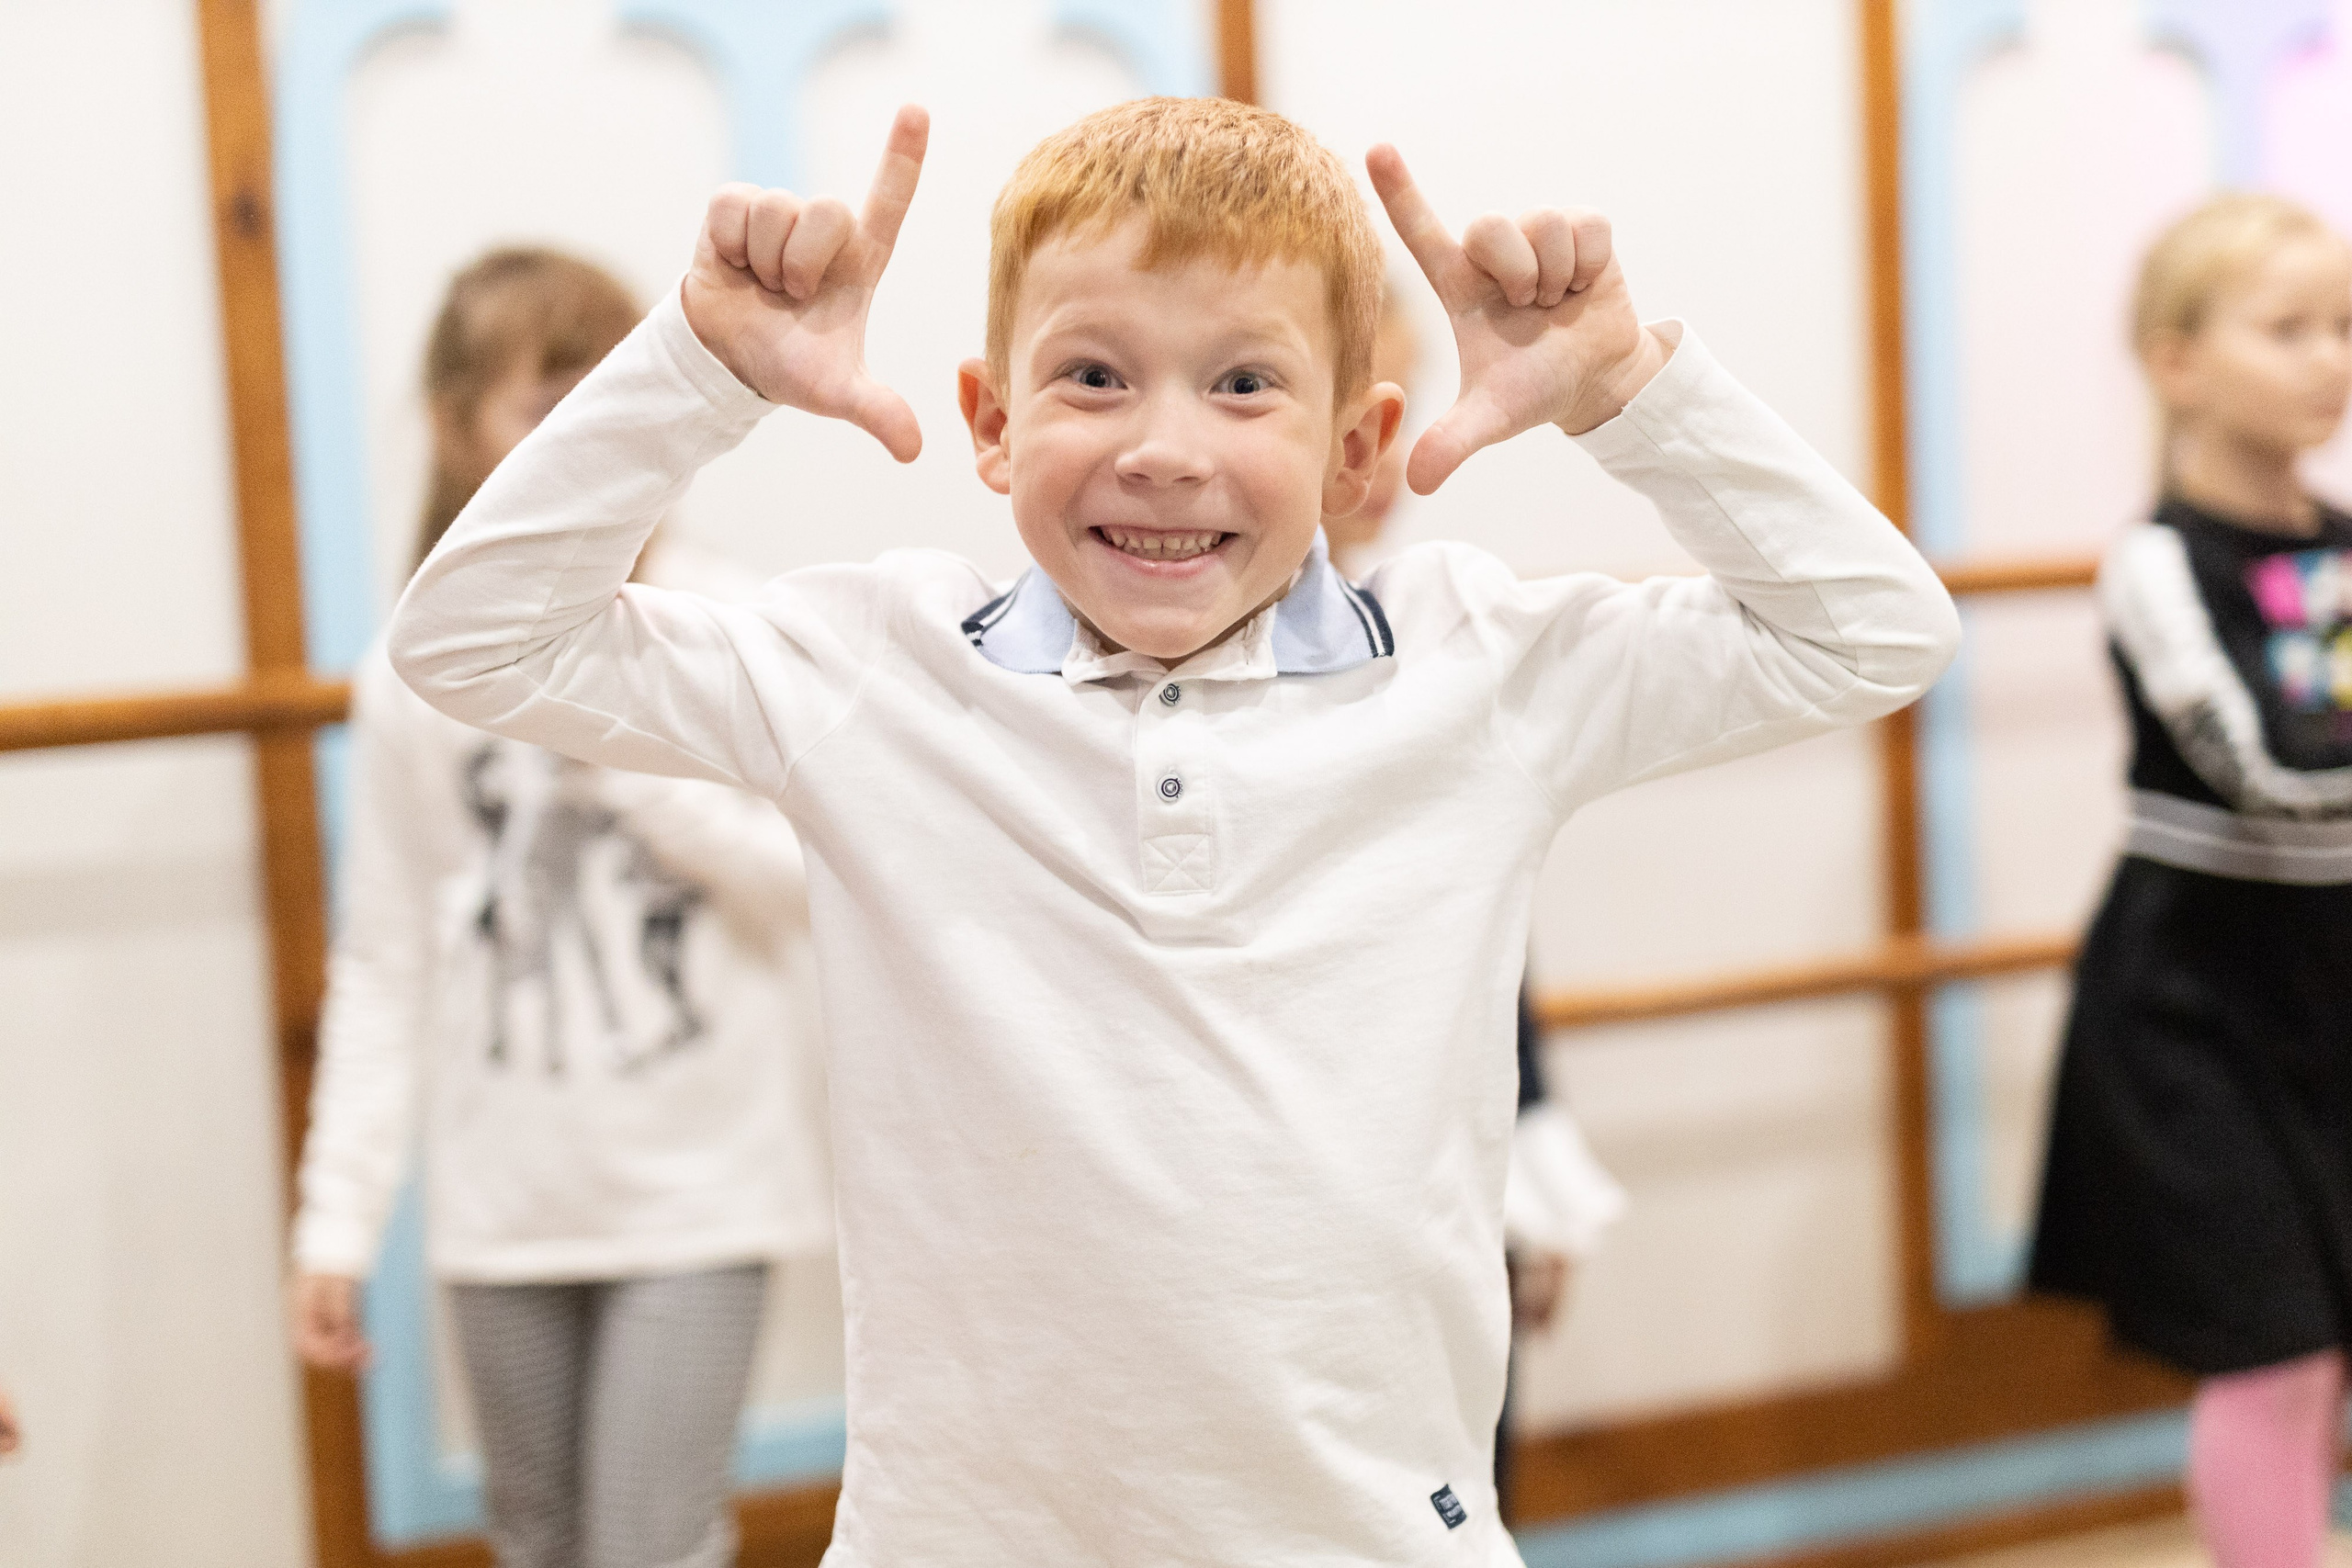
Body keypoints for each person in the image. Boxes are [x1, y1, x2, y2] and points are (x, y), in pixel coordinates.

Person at [386, 97, 1959, 1564]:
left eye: (1245, 382)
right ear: (992, 426)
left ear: (1357, 447)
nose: (1163, 446)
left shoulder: (1478, 669)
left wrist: (1631, 396)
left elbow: (1871, 634)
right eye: (1092, 375)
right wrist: (696, 370)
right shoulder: (873, 672)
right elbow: (467, 641)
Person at [288, 249, 831, 1568]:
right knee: (537, 1540)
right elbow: (387, 959)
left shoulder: (728, 619)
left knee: (651, 1543)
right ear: (455, 427)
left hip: (698, 1191)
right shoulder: (416, 670)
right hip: (506, 1204)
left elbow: (812, 883)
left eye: (607, 399)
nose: (585, 443)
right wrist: (337, 1220)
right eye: (544, 406)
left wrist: (621, 751)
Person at [2029, 193, 2352, 1568]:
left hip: (2336, 980)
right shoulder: (2156, 565)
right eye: (2287, 329)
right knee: (2275, 1343)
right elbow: (2265, 766)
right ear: (2176, 360)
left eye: (2344, 327)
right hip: (2196, 1002)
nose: (2328, 359)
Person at [1321, 284, 1627, 1513]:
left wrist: (1533, 1146)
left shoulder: (1429, 647)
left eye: (1397, 407)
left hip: (1439, 1176)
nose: (1383, 447)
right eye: (1353, 409)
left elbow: (1489, 938)